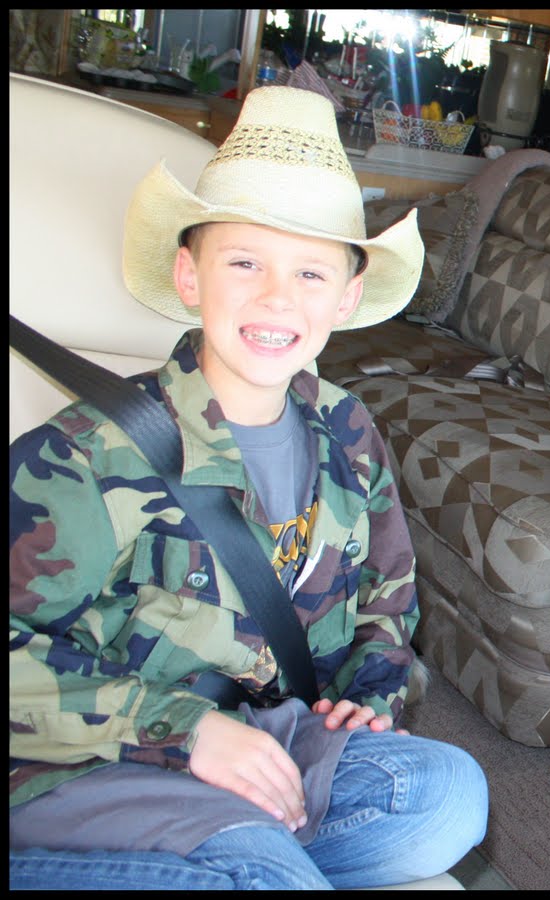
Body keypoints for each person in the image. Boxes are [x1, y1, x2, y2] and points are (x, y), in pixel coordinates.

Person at [10, 86, 488, 890]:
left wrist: (370, 696)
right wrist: (187, 731)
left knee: (448, 797)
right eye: (244, 262)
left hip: (264, 739)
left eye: (310, 272)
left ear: (345, 298)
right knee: (262, 871)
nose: (277, 297)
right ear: (189, 277)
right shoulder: (86, 453)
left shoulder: (347, 430)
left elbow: (387, 599)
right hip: (96, 763)